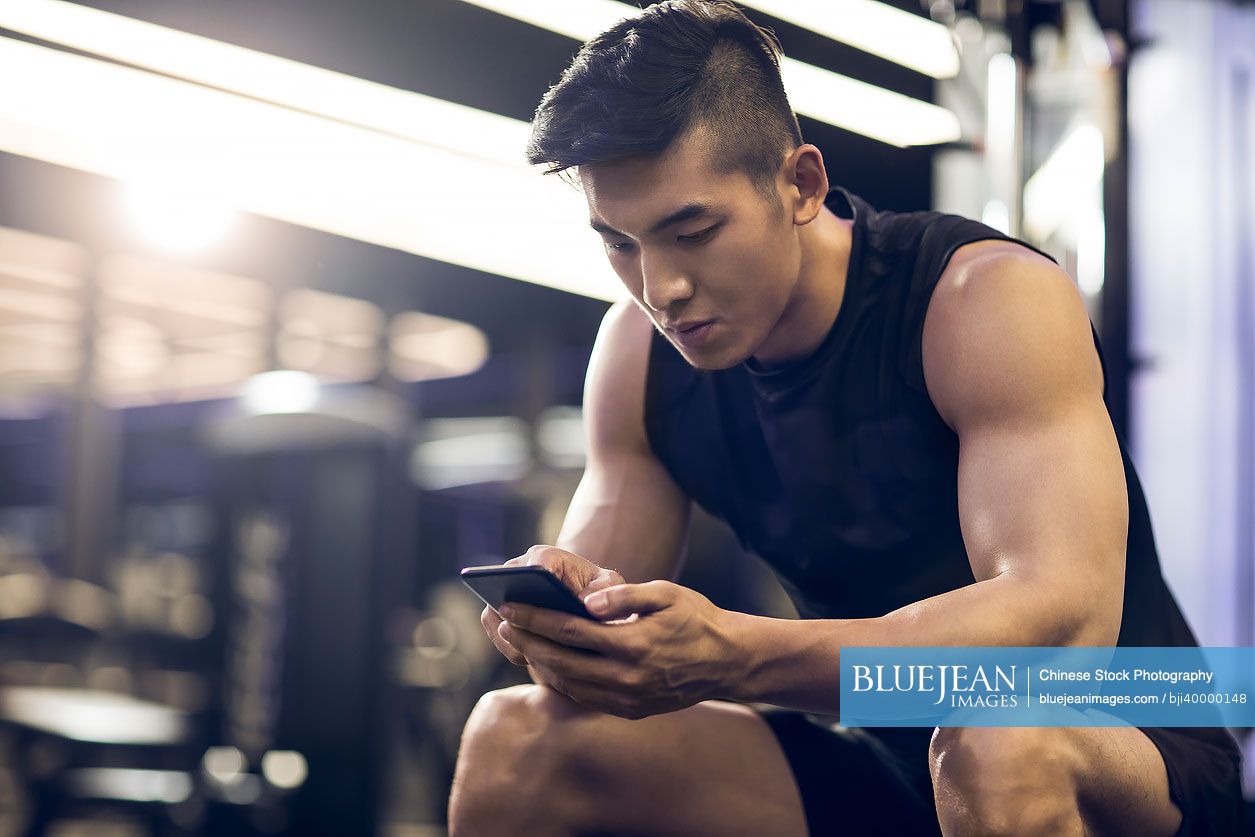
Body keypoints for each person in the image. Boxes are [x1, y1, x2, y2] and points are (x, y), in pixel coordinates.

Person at [446, 1, 1244, 834]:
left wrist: (738, 655)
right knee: (518, 736)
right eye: (620, 242)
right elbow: (597, 614)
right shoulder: (639, 357)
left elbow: (1061, 635)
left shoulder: (984, 300)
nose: (660, 288)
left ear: (800, 184)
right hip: (882, 746)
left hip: (1124, 724)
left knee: (994, 733)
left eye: (692, 230)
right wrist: (559, 624)